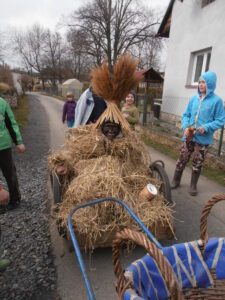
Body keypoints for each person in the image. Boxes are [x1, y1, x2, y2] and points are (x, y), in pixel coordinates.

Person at [171, 70, 225, 196]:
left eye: (203, 82)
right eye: (199, 82)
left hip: (203, 139)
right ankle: (175, 180)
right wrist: (185, 126)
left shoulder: (217, 101)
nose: (200, 85)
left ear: (210, 84)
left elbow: (220, 120)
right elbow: (186, 115)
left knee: (198, 162)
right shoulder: (193, 99)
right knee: (182, 158)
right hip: (189, 136)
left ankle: (193, 185)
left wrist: (206, 127)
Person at [0, 96, 25, 213]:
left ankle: (15, 199)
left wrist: (18, 142)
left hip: (3, 146)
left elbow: (11, 124)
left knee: (10, 173)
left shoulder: (2, 103)